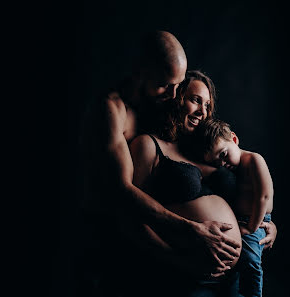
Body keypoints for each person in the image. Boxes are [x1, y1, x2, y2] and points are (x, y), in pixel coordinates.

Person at [81, 31, 255, 296]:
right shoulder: (114, 110)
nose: (175, 94)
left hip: (222, 278)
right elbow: (122, 194)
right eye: (166, 84)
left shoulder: (166, 109)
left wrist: (260, 221)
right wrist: (193, 232)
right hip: (108, 242)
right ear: (142, 71)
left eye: (179, 85)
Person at [127, 70, 276, 296]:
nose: (203, 111)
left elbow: (249, 196)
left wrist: (266, 224)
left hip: (233, 279)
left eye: (207, 105)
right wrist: (182, 262)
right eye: (196, 100)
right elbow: (135, 219)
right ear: (176, 97)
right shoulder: (148, 145)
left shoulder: (211, 152)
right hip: (186, 278)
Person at [191, 118, 274, 297]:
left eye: (223, 155)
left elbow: (264, 196)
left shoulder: (254, 160)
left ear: (234, 139)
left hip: (256, 222)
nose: (222, 163)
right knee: (237, 268)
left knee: (251, 262)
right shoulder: (233, 170)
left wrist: (251, 226)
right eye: (216, 162)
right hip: (241, 221)